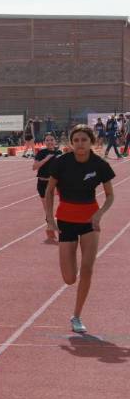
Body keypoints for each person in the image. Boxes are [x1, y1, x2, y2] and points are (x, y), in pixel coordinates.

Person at [45, 125, 115, 334]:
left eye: (84, 140)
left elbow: (110, 195)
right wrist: (49, 220)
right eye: (76, 140)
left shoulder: (99, 164)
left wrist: (99, 214)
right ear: (71, 143)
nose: (80, 144)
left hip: (89, 222)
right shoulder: (61, 162)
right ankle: (71, 262)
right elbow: (49, 191)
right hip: (65, 220)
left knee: (87, 269)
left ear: (91, 141)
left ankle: (77, 316)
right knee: (69, 278)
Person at [32, 132, 62, 243]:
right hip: (42, 183)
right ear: (45, 142)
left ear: (55, 141)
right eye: (47, 140)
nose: (49, 142)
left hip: (54, 184)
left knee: (60, 205)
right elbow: (34, 167)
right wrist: (46, 159)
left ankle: (53, 228)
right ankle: (50, 228)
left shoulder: (59, 153)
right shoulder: (41, 152)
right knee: (47, 210)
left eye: (51, 140)